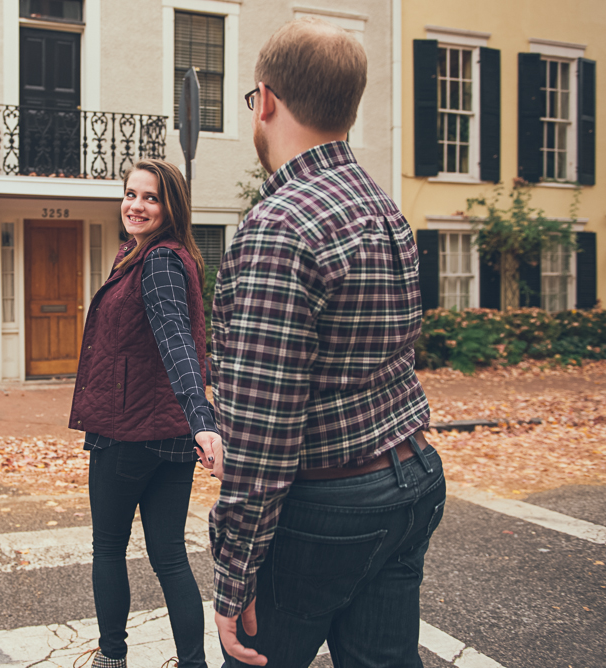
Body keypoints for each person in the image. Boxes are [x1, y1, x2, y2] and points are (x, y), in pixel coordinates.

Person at [208, 18, 446, 668]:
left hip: (329, 504)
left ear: (265, 101)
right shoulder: (383, 206)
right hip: (411, 480)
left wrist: (233, 577)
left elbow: (262, 428)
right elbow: (395, 351)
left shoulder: (278, 226)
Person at [69, 159, 220, 668]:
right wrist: (197, 420)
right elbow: (193, 340)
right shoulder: (159, 257)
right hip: (170, 434)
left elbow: (177, 341)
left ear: (170, 205)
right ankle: (194, 663)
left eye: (150, 197)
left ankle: (112, 658)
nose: (136, 205)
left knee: (109, 549)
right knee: (169, 554)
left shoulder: (156, 262)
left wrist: (203, 418)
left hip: (129, 429)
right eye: (131, 194)